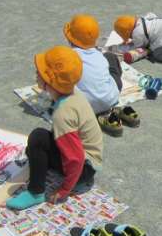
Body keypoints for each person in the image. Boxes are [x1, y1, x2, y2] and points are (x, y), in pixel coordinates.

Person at [7, 46, 103, 210]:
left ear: (50, 81)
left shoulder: (63, 113)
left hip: (83, 169)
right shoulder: (72, 92)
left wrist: (64, 190)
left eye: (40, 72)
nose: (36, 74)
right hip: (86, 159)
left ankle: (35, 192)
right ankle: (43, 162)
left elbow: (76, 158)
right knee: (35, 148)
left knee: (38, 138)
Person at [64, 14, 139, 137]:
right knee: (111, 57)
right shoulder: (99, 55)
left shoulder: (67, 56)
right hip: (111, 98)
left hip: (83, 107)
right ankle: (112, 111)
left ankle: (100, 113)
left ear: (69, 38)